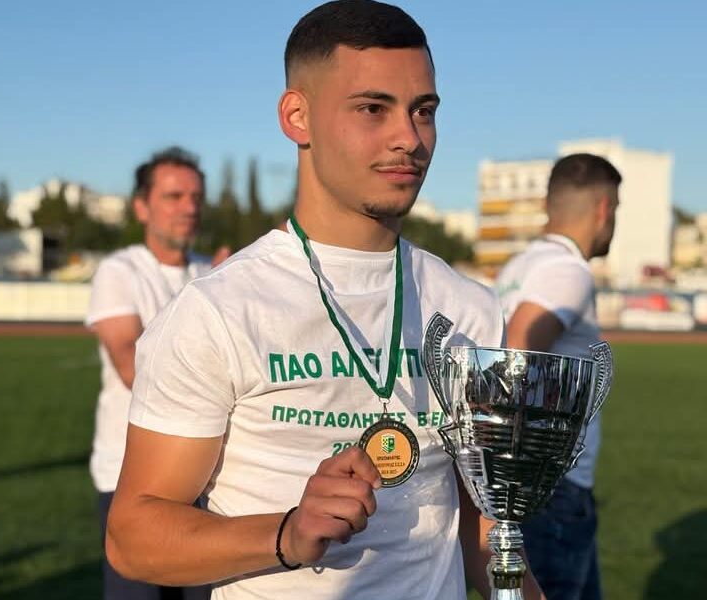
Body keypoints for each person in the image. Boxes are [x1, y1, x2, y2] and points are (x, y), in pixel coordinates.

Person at [106, 2, 544, 599]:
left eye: (424, 110)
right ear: (297, 116)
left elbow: (475, 520)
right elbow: (133, 537)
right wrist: (286, 534)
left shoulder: (469, 306)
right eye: (373, 108)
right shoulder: (220, 309)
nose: (409, 138)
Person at [87, 146, 226, 600]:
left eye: (196, 197)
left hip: (207, 479)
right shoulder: (120, 272)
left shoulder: (212, 273)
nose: (189, 207)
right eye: (173, 196)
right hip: (130, 479)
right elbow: (132, 368)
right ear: (141, 207)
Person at [495, 152, 622, 600]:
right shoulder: (569, 271)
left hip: (528, 482)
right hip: (552, 487)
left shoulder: (518, 267)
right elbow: (517, 350)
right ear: (604, 209)